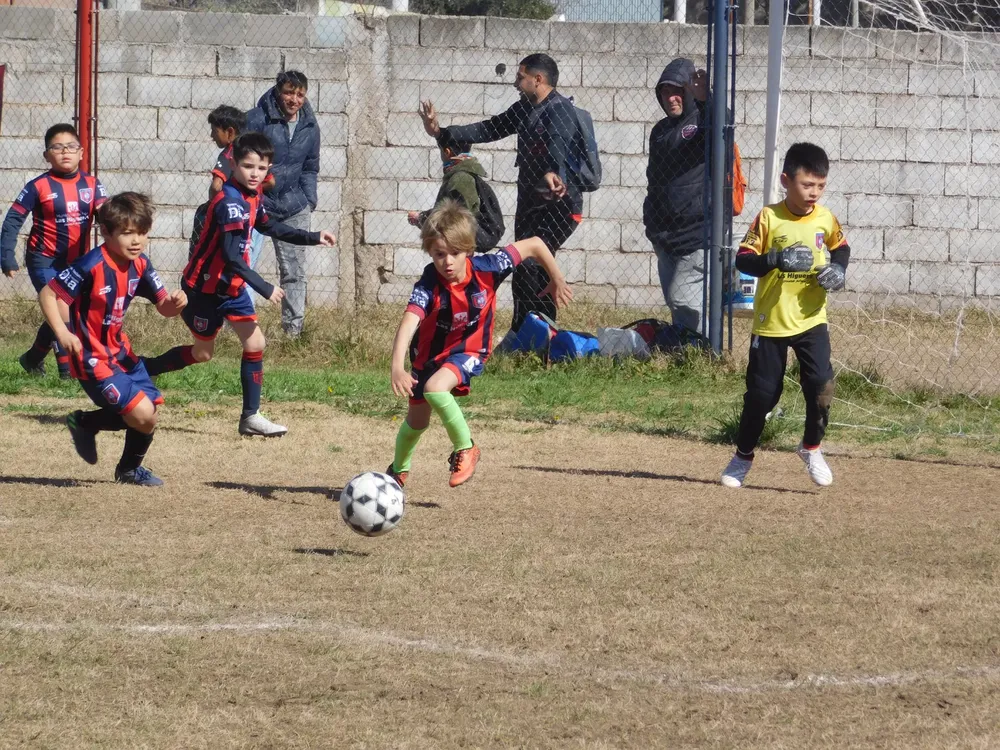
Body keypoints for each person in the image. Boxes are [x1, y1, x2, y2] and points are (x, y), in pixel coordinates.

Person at [140, 133, 335, 437]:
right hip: (202, 291)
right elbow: (232, 257)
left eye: (261, 167)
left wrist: (312, 236)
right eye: (248, 166)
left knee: (255, 343)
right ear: (232, 163)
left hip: (231, 289)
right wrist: (264, 287)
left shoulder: (253, 197)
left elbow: (271, 227)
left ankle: (250, 417)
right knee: (204, 353)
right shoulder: (229, 202)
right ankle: (144, 369)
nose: (255, 173)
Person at [386, 200, 572, 489]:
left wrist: (556, 277)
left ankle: (466, 447)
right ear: (430, 253)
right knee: (417, 421)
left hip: (470, 351)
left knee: (436, 388)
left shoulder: (490, 267)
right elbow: (409, 320)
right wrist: (397, 367)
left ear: (469, 251)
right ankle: (398, 471)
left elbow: (535, 243)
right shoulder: (428, 283)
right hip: (428, 357)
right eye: (439, 254)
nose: (447, 262)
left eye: (455, 253)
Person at [420, 53, 582, 335]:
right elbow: (489, 128)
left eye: (521, 78)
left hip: (559, 206)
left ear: (538, 79)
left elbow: (558, 143)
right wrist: (441, 133)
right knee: (523, 267)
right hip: (531, 202)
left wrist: (552, 170)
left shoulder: (560, 111)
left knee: (534, 266)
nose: (516, 83)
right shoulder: (524, 109)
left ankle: (543, 336)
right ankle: (523, 332)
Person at [720, 143, 851, 489]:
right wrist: (774, 259)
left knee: (821, 386)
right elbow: (743, 259)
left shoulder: (826, 218)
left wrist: (838, 269)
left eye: (820, 186)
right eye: (807, 185)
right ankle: (743, 455)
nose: (814, 193)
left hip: (812, 319)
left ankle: (811, 448)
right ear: (785, 180)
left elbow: (841, 247)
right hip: (771, 323)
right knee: (763, 395)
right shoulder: (768, 217)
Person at [39, 192, 187, 486]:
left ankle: (117, 457)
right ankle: (93, 431)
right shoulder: (91, 264)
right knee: (142, 412)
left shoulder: (141, 264)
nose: (136, 241)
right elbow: (48, 293)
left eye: (142, 233)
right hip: (92, 359)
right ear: (105, 231)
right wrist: (63, 333)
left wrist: (177, 303)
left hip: (121, 355)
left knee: (148, 414)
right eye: (127, 233)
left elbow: (164, 308)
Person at [1, 123, 108, 378]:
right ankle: (67, 371)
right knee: (63, 309)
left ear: (81, 153)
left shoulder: (93, 185)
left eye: (71, 147)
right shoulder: (38, 186)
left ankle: (33, 358)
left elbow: (108, 217)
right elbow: (13, 220)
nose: (65, 152)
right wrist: (6, 255)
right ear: (47, 155)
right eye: (57, 147)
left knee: (62, 310)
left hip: (77, 263)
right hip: (43, 260)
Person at [245, 70, 320, 338]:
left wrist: (308, 199)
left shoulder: (310, 126)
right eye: (289, 92)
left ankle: (293, 333)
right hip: (257, 205)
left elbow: (311, 167)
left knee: (294, 272)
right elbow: (238, 158)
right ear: (279, 91)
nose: (294, 99)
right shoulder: (256, 119)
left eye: (300, 94)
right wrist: (249, 196)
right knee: (243, 265)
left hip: (294, 206)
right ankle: (241, 327)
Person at [643, 58, 710, 334]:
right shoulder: (660, 130)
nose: (670, 98)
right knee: (678, 302)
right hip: (663, 233)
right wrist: (651, 222)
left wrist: (708, 101)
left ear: (688, 91)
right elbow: (654, 178)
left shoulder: (703, 121)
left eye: (677, 91)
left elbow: (721, 126)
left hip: (695, 232)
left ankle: (699, 349)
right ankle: (691, 350)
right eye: (664, 91)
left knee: (681, 297)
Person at [408, 126, 503, 253]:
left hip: (466, 240)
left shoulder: (460, 178)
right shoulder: (461, 174)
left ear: (447, 152)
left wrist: (422, 218)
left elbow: (460, 219)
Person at [189, 105, 248, 257]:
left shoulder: (229, 153)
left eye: (215, 131)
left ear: (229, 132)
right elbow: (270, 182)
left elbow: (216, 186)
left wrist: (213, 208)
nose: (211, 135)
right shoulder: (250, 151)